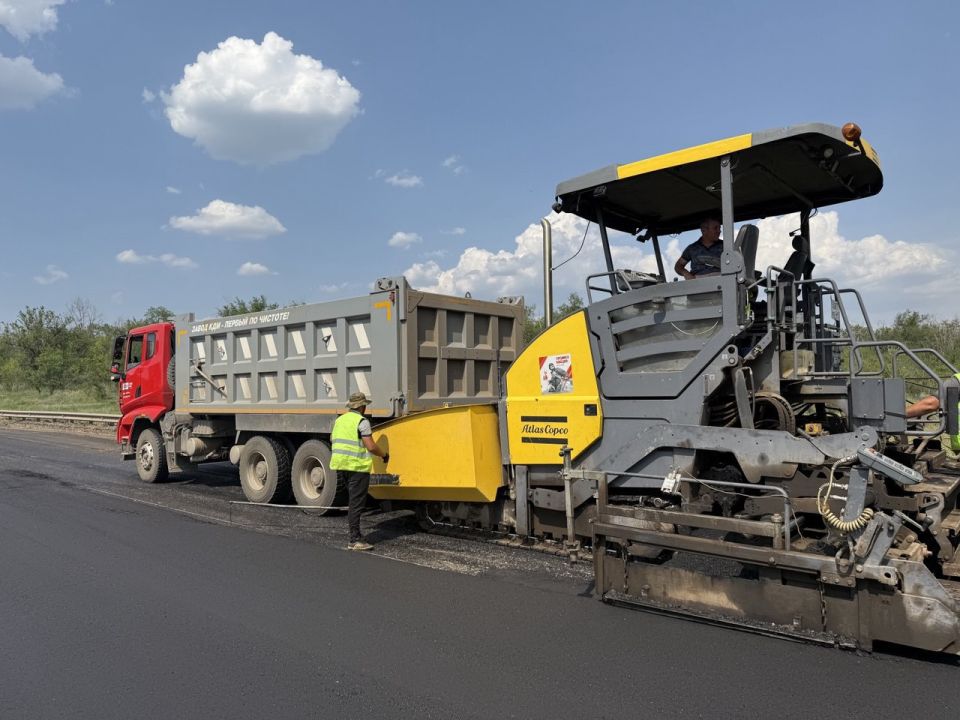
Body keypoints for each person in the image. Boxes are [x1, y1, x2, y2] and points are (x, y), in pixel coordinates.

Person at [330, 392, 389, 551]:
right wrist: (384, 455)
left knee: (352, 502)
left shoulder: (339, 420)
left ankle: (355, 537)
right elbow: (370, 446)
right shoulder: (362, 421)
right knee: (356, 504)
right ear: (362, 407)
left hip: (341, 465)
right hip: (357, 467)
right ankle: (355, 540)